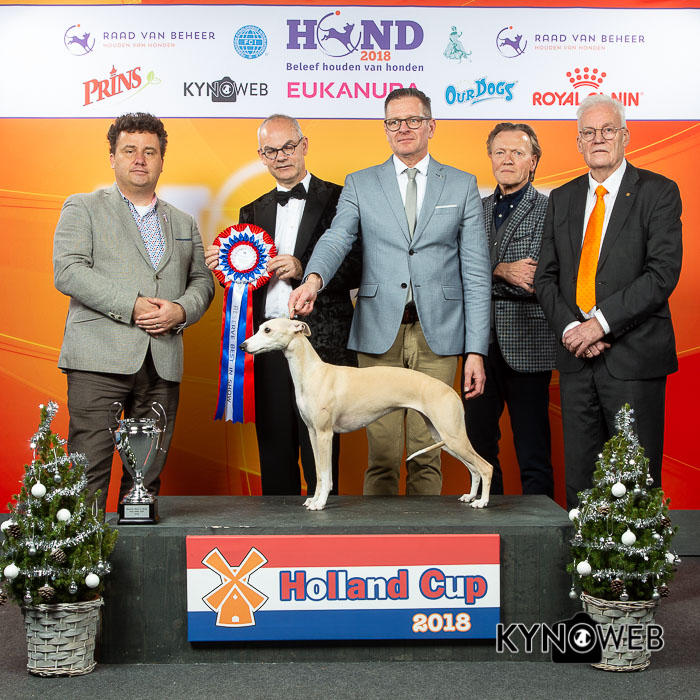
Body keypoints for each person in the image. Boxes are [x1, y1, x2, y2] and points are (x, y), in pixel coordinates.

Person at [289, 87, 491, 496]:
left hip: (439, 335)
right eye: (394, 122)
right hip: (378, 331)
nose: (404, 128)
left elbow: (475, 271)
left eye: (413, 120)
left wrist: (476, 350)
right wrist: (313, 279)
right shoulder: (361, 183)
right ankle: (378, 536)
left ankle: (424, 530)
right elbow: (337, 238)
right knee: (381, 455)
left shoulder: (462, 184)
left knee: (427, 452)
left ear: (431, 126)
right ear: (385, 129)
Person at [53, 112, 215, 512]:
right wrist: (132, 305)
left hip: (162, 362)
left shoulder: (183, 222)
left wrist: (181, 310)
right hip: (98, 360)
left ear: (161, 160)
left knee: (146, 477)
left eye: (150, 151)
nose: (140, 159)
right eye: (129, 150)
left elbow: (203, 281)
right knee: (87, 471)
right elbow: (68, 270)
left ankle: (137, 549)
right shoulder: (83, 206)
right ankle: (83, 551)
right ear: (112, 158)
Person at [535, 94, 683, 509]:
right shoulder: (561, 197)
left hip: (634, 358)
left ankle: (635, 557)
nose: (598, 138)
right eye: (588, 132)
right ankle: (583, 554)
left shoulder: (658, 192)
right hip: (576, 360)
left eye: (607, 130)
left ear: (625, 136)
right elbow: (545, 277)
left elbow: (661, 274)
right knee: (581, 482)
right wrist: (572, 330)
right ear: (578, 142)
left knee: (635, 480)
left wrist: (598, 325)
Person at [205, 115, 361, 497]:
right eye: (271, 150)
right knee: (274, 447)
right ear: (261, 156)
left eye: (288, 147)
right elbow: (243, 286)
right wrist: (223, 268)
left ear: (304, 145)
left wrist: (304, 269)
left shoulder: (342, 197)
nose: (281, 156)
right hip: (268, 342)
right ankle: (276, 527)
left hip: (321, 341)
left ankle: (324, 521)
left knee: (320, 447)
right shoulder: (251, 210)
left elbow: (361, 264)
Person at [463, 123, 556, 498]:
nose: (507, 159)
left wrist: (480, 274)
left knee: (533, 450)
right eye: (500, 152)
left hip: (528, 344)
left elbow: (533, 278)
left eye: (517, 153)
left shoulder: (549, 209)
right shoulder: (476, 209)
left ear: (533, 161)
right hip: (478, 346)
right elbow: (458, 270)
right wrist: (501, 269)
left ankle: (540, 525)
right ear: (490, 157)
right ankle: (487, 518)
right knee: (478, 446)